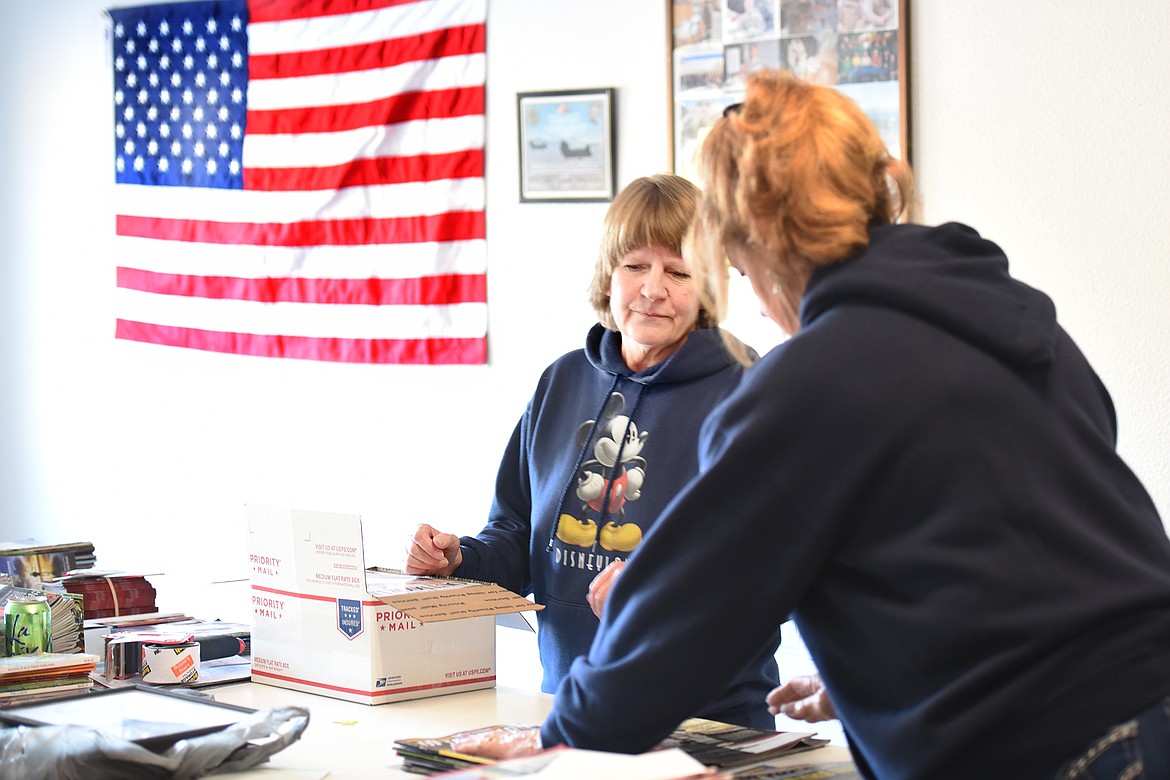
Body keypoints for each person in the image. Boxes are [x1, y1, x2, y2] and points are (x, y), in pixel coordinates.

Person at [451, 70, 1170, 779]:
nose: (756, 302)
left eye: (727, 261)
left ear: (759, 237)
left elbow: (690, 613)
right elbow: (1021, 543)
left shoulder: (811, 381)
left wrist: (559, 739)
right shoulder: (1011, 318)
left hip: (1058, 748)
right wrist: (883, 677)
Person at [405, 173, 780, 729]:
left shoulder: (751, 390)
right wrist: (461, 559)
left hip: (709, 722)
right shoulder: (561, 381)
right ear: (608, 273)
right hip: (569, 709)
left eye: (678, 272)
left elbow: (775, 574)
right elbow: (517, 536)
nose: (653, 289)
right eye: (635, 265)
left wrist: (659, 596)